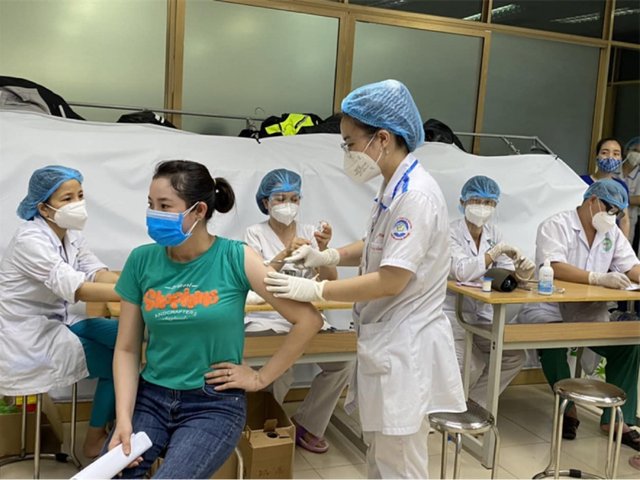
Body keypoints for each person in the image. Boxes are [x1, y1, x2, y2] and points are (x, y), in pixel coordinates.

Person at [264, 79, 466, 478]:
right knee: (382, 455)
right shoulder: (394, 187)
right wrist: (329, 255)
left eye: (350, 143)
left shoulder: (415, 196)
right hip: (387, 339)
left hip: (406, 346)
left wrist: (317, 287)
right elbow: (377, 243)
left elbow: (391, 280)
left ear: (383, 139)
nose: (347, 153)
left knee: (399, 463)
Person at [106, 160, 323, 478]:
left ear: (198, 210)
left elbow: (308, 320)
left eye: (164, 206)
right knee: (112, 473)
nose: (153, 214)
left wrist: (260, 379)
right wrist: (123, 420)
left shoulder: (236, 257)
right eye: (151, 205)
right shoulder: (141, 260)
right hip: (151, 397)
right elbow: (126, 348)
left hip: (212, 402)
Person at [0, 165, 121, 457]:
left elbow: (95, 272)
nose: (77, 203)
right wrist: (138, 294)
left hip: (59, 322)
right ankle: (94, 439)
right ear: (43, 207)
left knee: (128, 335)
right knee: (117, 365)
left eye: (80, 195)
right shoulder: (30, 240)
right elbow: (77, 288)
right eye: (67, 198)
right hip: (29, 336)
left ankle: (124, 424)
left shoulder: (71, 235)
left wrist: (137, 283)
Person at [519, 179, 640, 449]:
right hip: (550, 307)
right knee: (553, 341)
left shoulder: (610, 232)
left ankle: (616, 419)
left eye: (618, 213)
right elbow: (555, 266)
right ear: (592, 201)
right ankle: (568, 409)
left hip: (589, 311)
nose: (613, 217)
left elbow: (631, 266)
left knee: (628, 345)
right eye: (610, 210)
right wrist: (597, 278)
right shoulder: (556, 225)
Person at [245, 168, 351, 454]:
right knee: (280, 369)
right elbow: (256, 280)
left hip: (309, 318)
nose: (288, 205)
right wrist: (283, 254)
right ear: (265, 202)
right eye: (280, 198)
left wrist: (324, 251)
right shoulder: (255, 234)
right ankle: (268, 431)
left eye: (294, 198)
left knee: (343, 363)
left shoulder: (309, 233)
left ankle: (306, 424)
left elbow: (330, 280)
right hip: (266, 317)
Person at [443, 175, 534, 408]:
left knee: (514, 357)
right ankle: (450, 412)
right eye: (476, 201)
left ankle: (474, 406)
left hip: (481, 314)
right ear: (463, 202)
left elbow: (501, 273)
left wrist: (520, 275)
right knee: (470, 365)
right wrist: (493, 254)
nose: (482, 207)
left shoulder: (494, 234)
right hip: (450, 314)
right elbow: (461, 271)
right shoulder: (449, 232)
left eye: (488, 203)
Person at [581, 137, 630, 238]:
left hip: (609, 240)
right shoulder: (580, 181)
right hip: (583, 236)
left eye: (616, 154)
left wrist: (624, 244)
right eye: (604, 153)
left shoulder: (621, 187)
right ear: (597, 156)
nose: (610, 157)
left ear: (621, 159)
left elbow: (624, 220)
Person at [618, 136, 640, 251]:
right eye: (635, 150)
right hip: (607, 215)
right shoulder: (614, 168)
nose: (637, 155)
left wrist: (617, 199)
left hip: (630, 220)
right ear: (627, 151)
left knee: (623, 249)